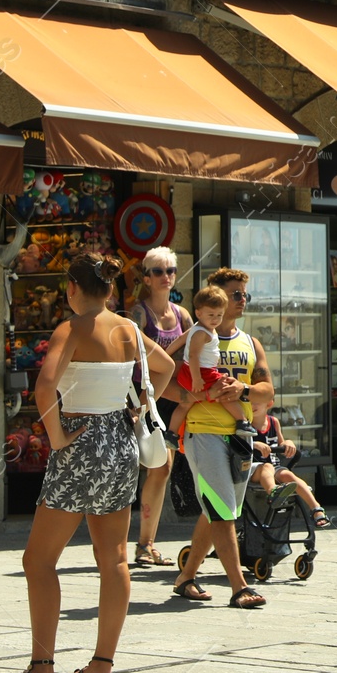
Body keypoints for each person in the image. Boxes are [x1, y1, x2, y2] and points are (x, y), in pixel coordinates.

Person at [0, 253, 175, 673]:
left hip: (81, 438)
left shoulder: (71, 329)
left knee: (37, 560)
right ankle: (101, 666)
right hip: (119, 441)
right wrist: (134, 412)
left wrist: (56, 436)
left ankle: (42, 667)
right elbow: (166, 369)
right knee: (113, 560)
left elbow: (44, 385)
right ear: (110, 289)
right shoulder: (128, 329)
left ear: (72, 287)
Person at [168, 268, 273, 610]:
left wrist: (243, 388)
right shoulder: (193, 336)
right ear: (216, 297)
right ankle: (239, 586)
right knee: (224, 509)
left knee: (218, 508)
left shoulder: (250, 342)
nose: (242, 300)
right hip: (203, 433)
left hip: (240, 435)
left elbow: (267, 391)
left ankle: (186, 577)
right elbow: (158, 374)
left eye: (246, 294)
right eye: (236, 294)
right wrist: (187, 398)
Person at [127, 245, 190, 568]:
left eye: (170, 271)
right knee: (143, 468)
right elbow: (132, 361)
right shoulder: (139, 315)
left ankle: (146, 543)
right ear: (146, 278)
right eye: (157, 272)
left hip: (171, 400)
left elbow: (192, 358)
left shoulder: (181, 315)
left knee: (161, 469)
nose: (165, 277)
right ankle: (139, 543)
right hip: (143, 400)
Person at [176, 286, 254, 436]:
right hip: (202, 372)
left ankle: (172, 432)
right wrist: (197, 379)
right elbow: (193, 356)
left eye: (219, 315)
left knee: (184, 405)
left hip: (196, 371)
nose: (215, 319)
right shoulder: (201, 333)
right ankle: (242, 421)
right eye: (211, 315)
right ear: (198, 313)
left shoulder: (199, 328)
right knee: (224, 391)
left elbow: (180, 339)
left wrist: (166, 352)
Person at [250, 402, 329, 529]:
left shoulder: (273, 422)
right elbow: (239, 445)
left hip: (274, 465)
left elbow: (281, 442)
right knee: (267, 468)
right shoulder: (245, 423)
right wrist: (254, 444)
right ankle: (274, 493)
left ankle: (316, 508)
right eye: (248, 401)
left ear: (269, 404)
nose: (251, 405)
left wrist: (288, 442)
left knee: (287, 474)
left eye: (256, 402)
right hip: (254, 468)